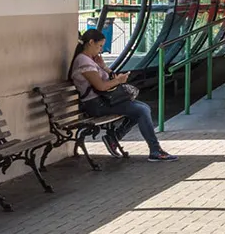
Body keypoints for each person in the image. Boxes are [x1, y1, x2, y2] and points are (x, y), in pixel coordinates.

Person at [69, 29, 172, 161]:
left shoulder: (91, 60)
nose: (100, 50)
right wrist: (118, 80)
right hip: (96, 104)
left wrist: (104, 67)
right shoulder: (84, 62)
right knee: (141, 110)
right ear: (90, 42)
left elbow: (105, 79)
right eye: (99, 46)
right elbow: (100, 86)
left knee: (143, 109)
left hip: (103, 101)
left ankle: (116, 138)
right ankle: (154, 150)